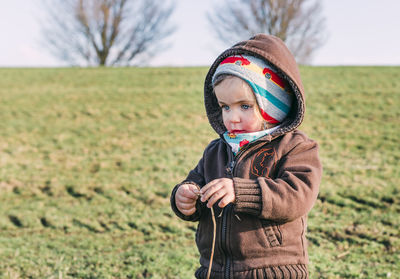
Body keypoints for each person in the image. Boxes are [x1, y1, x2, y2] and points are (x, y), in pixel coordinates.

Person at [170, 34, 322, 279]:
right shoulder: (216, 150)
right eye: (225, 107)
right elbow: (196, 183)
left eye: (245, 106)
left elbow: (297, 196)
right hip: (215, 270)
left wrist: (240, 192)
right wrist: (185, 196)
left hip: (273, 270)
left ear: (273, 105)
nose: (232, 117)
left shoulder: (295, 147)